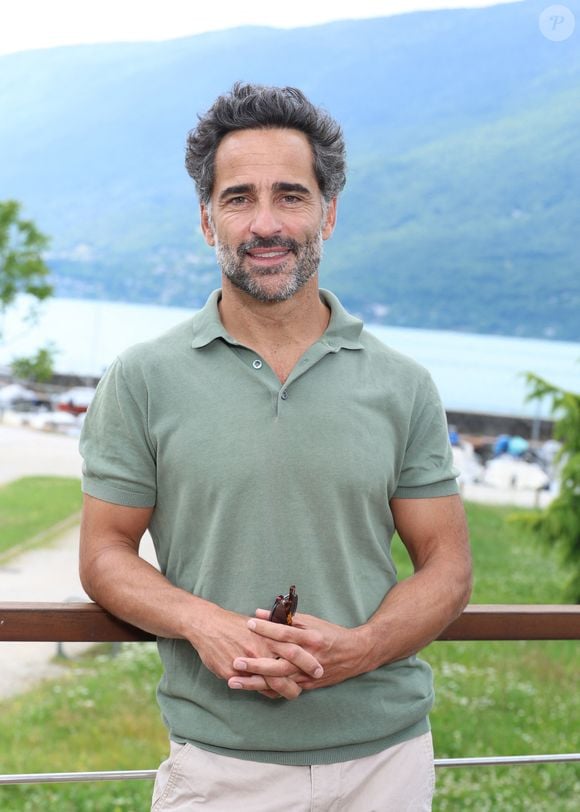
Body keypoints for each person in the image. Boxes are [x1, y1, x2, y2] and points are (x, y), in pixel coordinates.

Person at [79, 82, 472, 811]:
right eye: (238, 199)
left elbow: (448, 567)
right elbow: (104, 554)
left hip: (387, 761)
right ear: (206, 221)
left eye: (291, 196)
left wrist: (359, 649)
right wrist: (205, 624)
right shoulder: (141, 378)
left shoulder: (402, 384)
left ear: (330, 212)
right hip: (221, 766)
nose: (266, 223)